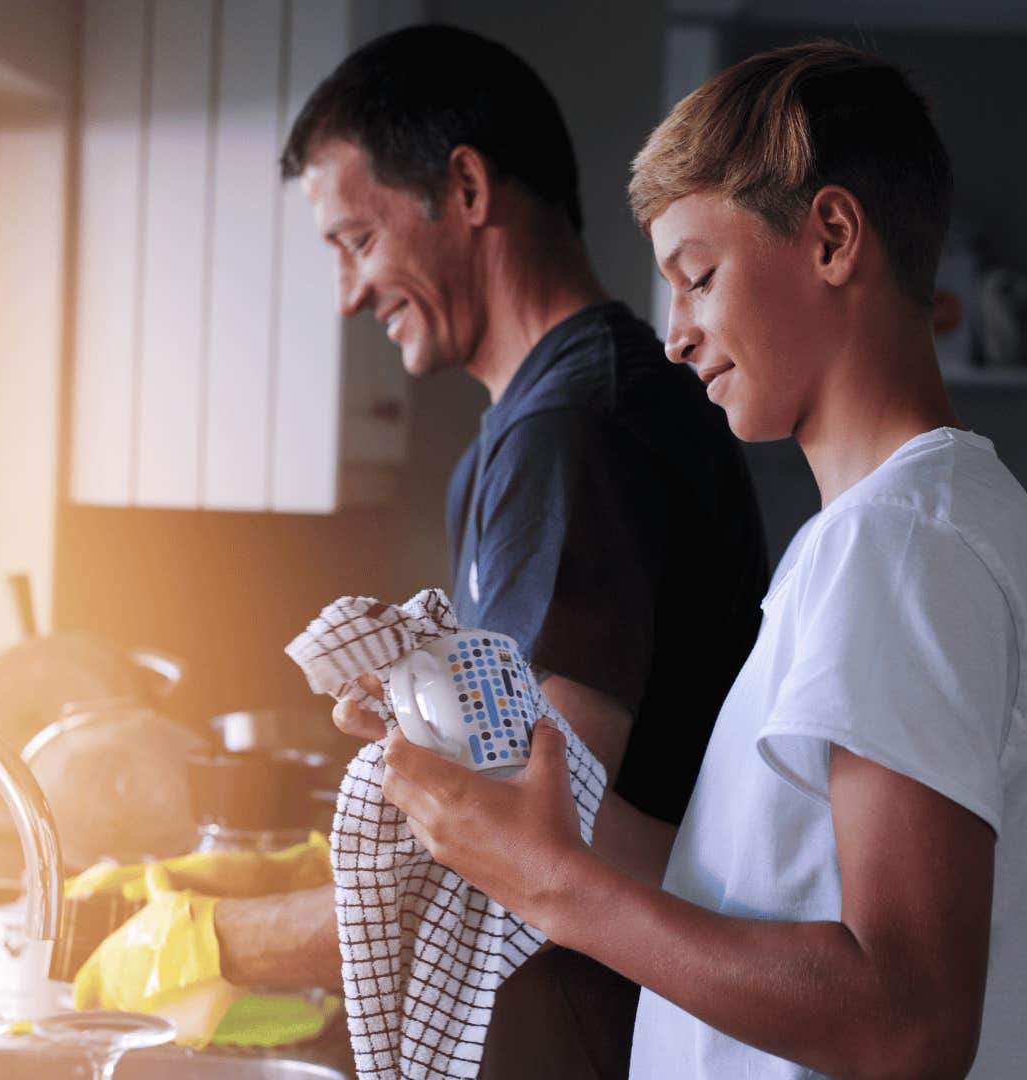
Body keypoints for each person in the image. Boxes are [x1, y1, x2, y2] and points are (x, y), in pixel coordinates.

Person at [374, 41, 1027, 1079]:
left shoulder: (897, 545)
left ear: (833, 237)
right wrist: (489, 769)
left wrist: (555, 891)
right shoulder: (877, 533)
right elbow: (725, 889)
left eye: (698, 277)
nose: (677, 336)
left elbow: (907, 1021)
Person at [200, 24, 769, 1077]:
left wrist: (213, 944)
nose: (348, 292)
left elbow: (505, 845)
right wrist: (244, 880)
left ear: (464, 187)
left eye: (356, 241)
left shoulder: (576, 434)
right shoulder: (531, 431)